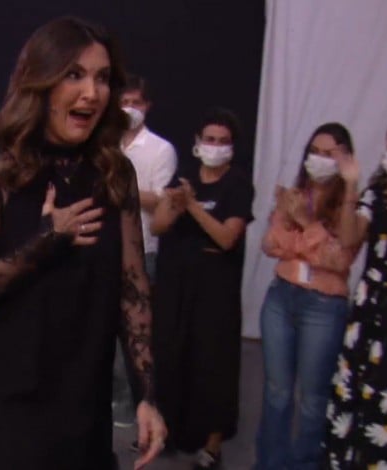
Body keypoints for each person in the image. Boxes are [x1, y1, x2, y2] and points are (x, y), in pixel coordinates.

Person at [0, 16, 167, 470]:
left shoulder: (114, 173)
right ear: (40, 82)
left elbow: (133, 288)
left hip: (84, 394)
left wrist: (147, 395)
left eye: (102, 78)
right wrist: (45, 242)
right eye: (74, 75)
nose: (92, 93)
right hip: (10, 398)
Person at [150, 108, 254, 469]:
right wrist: (174, 205)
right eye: (210, 139)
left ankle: (212, 445)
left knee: (213, 363)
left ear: (233, 147)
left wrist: (192, 206)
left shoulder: (238, 184)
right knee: (171, 354)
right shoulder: (184, 178)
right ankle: (168, 431)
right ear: (197, 142)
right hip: (176, 284)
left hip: (215, 291)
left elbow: (226, 237)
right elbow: (158, 226)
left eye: (223, 141)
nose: (215, 146)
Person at [254, 123, 360, 469]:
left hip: (323, 306)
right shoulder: (294, 193)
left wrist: (302, 222)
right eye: (314, 151)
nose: (319, 159)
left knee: (312, 397)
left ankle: (304, 465)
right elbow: (272, 244)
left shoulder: (350, 204)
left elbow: (339, 259)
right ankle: (270, 464)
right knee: (277, 392)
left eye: (329, 153)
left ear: (345, 160)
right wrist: (314, 241)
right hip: (281, 297)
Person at [324, 117, 387, 469]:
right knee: (358, 385)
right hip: (371, 303)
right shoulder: (375, 193)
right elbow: (349, 237)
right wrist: (352, 185)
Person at [114, 74, 178, 429]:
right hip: (104, 246)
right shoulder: (106, 142)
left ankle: (131, 401)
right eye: (124, 102)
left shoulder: (160, 149)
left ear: (147, 106)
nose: (130, 109)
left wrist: (123, 189)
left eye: (136, 103)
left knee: (134, 332)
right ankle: (108, 396)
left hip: (142, 250)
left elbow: (162, 200)